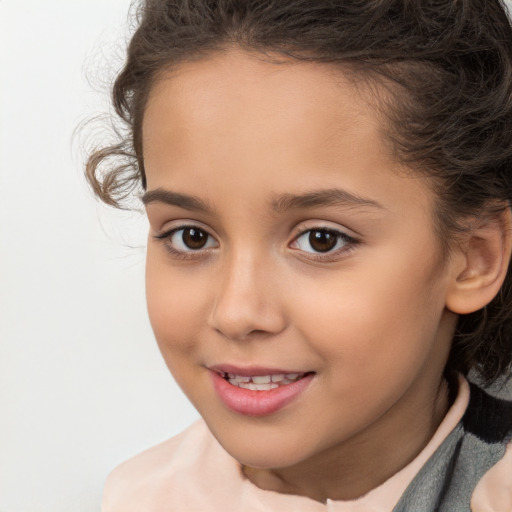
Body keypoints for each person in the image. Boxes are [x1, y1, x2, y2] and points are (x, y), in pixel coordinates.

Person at [86, 0, 512, 510]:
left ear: (473, 258)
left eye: (321, 240)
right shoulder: (140, 497)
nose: (237, 313)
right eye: (191, 237)